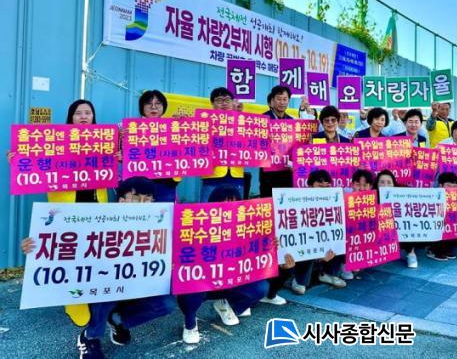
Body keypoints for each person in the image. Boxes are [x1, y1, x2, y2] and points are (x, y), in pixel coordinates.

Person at [22, 177, 176, 358]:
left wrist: (166, 266)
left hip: (135, 286)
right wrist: (34, 246)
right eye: (135, 198)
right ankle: (90, 336)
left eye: (147, 199)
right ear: (121, 200)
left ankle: (117, 319)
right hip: (104, 288)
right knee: (105, 289)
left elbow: (163, 260)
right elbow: (61, 246)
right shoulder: (100, 223)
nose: (142, 204)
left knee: (166, 304)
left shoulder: (158, 226)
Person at [10, 100, 110, 329]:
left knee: (94, 255)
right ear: (70, 117)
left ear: (93, 117)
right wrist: (18, 159)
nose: (83, 116)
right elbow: (33, 161)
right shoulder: (55, 141)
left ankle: (95, 299)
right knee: (70, 256)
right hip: (66, 210)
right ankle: (75, 303)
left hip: (97, 209)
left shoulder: (104, 142)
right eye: (78, 113)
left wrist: (118, 157)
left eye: (88, 113)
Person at [177, 185, 269, 344]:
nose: (229, 209)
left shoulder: (248, 227)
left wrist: (269, 247)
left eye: (234, 203)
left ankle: (227, 305)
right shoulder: (196, 227)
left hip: (231, 281)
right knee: (188, 287)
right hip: (203, 283)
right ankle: (190, 323)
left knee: (261, 287)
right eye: (224, 204)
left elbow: (258, 256)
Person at [288, 169, 346, 292]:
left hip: (325, 245)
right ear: (310, 186)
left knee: (342, 236)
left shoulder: (335, 203)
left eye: (327, 187)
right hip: (306, 246)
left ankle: (329, 273)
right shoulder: (297, 203)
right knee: (306, 243)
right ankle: (299, 279)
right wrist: (318, 253)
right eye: (320, 186)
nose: (324, 190)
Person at [201, 87, 245, 201]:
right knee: (208, 209)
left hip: (236, 175)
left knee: (236, 210)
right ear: (212, 103)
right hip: (212, 176)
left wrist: (238, 116)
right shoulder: (203, 123)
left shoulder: (243, 121)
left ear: (233, 102)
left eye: (227, 100)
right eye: (219, 100)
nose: (224, 103)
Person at [137, 90, 179, 203]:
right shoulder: (129, 129)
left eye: (158, 103)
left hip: (166, 183)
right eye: (149, 103)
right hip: (139, 184)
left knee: (165, 213)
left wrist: (184, 124)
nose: (153, 107)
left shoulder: (174, 126)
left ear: (164, 107)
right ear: (142, 107)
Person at [259, 86, 296, 198]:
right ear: (272, 101)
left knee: (286, 202)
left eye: (285, 99)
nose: (282, 102)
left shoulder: (292, 121)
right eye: (279, 99)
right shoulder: (263, 119)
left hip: (286, 171)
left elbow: (294, 145)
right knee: (268, 202)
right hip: (268, 172)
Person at [427, 172, 457, 261]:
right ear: (441, 185)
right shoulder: (433, 196)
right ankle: (432, 250)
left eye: (454, 186)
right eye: (448, 185)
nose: (451, 189)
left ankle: (446, 249)